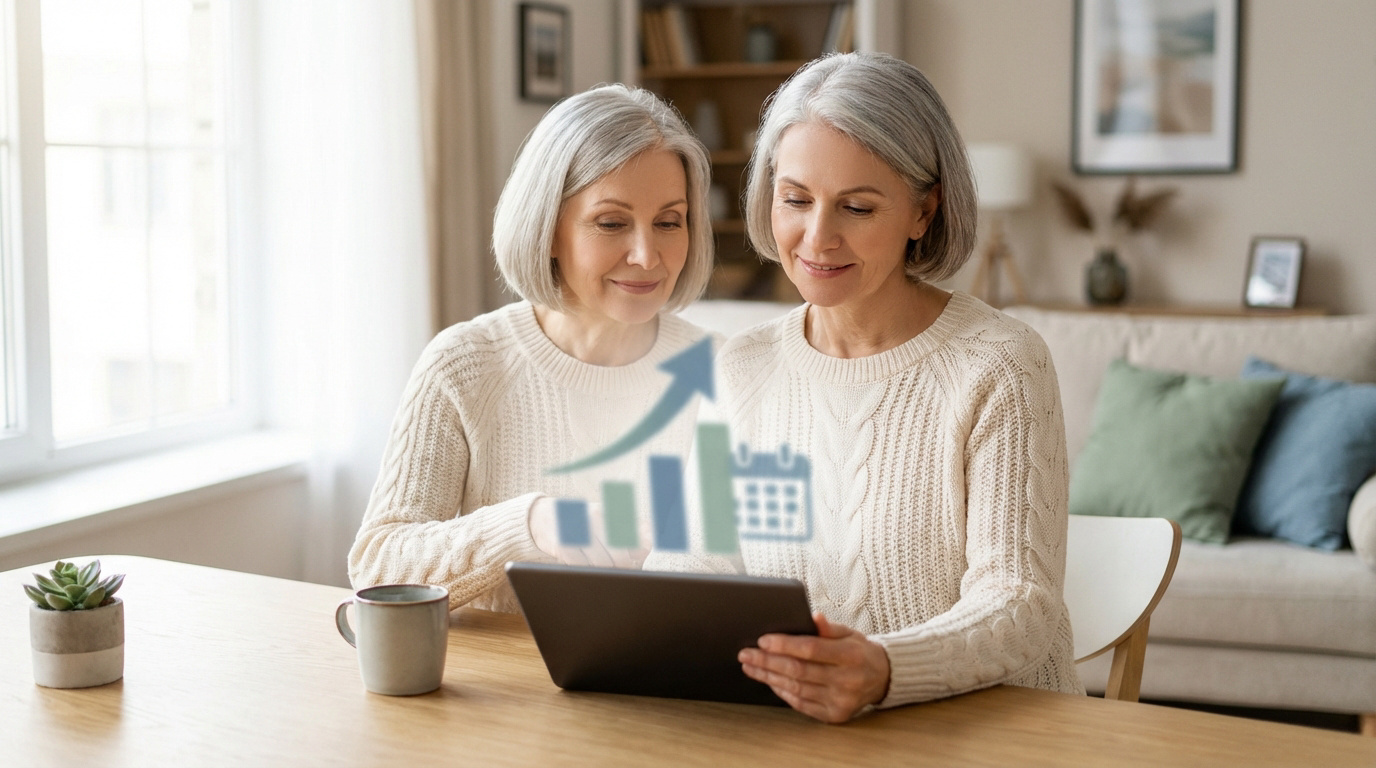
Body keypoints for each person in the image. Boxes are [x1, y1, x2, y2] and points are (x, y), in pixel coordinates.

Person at [716, 52, 1083, 722]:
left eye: (856, 207)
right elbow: (692, 570)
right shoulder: (740, 368)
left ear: (923, 212)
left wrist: (886, 670)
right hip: (800, 734)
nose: (817, 237)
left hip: (998, 733)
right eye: (795, 199)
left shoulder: (1000, 363)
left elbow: (1021, 600)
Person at [348, 84, 715, 613]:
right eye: (611, 223)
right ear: (548, 230)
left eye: (669, 222)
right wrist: (531, 524)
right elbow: (376, 565)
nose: (646, 255)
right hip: (497, 690)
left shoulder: (722, 374)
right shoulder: (465, 365)